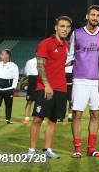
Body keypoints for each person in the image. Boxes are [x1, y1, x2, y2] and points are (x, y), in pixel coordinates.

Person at [28, 16, 73, 159]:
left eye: (67, 27)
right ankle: (31, 150)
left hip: (61, 88)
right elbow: (40, 66)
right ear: (56, 27)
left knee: (53, 119)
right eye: (62, 26)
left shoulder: (67, 46)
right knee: (37, 119)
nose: (65, 29)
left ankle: (47, 149)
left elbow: (62, 64)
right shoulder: (46, 43)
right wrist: (47, 85)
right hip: (45, 87)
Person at [67, 5, 99, 158]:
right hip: (80, 79)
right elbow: (69, 56)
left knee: (95, 114)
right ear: (87, 16)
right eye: (92, 15)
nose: (95, 17)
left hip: (98, 80)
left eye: (98, 15)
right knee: (77, 115)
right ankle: (77, 149)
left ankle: (91, 149)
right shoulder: (77, 33)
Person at [0, 49, 18, 124]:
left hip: (8, 89)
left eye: (2, 54)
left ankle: (7, 119)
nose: (0, 55)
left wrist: (13, 87)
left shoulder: (14, 65)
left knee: (8, 105)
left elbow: (16, 77)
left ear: (7, 56)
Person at [23, 57, 38, 124]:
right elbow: (26, 71)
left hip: (41, 80)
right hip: (32, 79)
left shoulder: (46, 60)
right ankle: (26, 118)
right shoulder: (30, 61)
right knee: (29, 100)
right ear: (37, 53)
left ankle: (39, 117)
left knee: (40, 101)